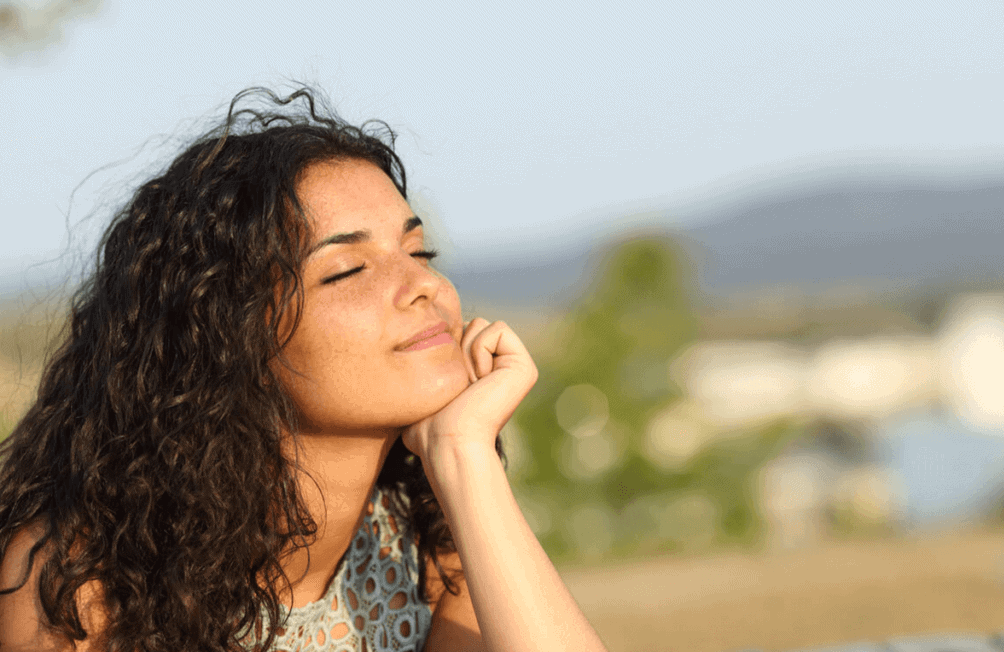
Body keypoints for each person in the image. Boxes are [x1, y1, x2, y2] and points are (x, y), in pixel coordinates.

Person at [0, 87, 608, 652]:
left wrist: (463, 455)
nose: (424, 284)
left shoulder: (431, 543)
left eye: (419, 251)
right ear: (231, 337)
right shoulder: (82, 585)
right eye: (348, 270)